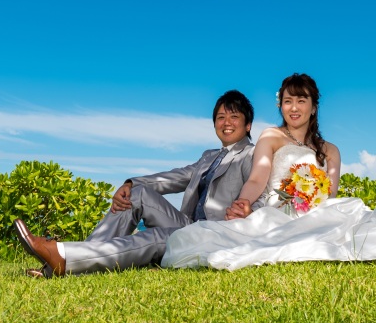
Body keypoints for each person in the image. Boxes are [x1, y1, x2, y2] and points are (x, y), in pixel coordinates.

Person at [161, 73, 376, 270]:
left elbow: (329, 194)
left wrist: (309, 194)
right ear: (281, 106)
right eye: (288, 101)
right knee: (201, 240)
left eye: (301, 100)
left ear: (313, 106)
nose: (294, 107)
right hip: (274, 209)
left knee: (349, 218)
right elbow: (258, 176)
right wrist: (244, 202)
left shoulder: (330, 150)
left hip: (313, 212)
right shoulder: (270, 136)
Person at [14, 89, 256, 276]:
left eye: (234, 117)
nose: (226, 123)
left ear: (248, 125)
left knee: (161, 236)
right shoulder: (208, 156)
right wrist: (130, 183)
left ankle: (66, 257)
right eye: (221, 117)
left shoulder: (252, 155)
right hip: (189, 225)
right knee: (137, 194)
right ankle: (75, 257)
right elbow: (175, 177)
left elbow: (262, 193)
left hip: (216, 233)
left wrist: (248, 213)